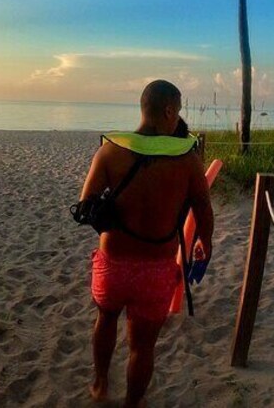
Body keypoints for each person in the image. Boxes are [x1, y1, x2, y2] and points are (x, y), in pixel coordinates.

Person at [80, 80, 214, 408]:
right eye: (178, 111)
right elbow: (204, 210)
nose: (178, 117)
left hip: (112, 264)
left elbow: (86, 205)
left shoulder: (110, 151)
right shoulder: (187, 159)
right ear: (168, 111)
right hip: (156, 270)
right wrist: (204, 243)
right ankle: (133, 402)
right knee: (143, 347)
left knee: (106, 318)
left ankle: (99, 383)